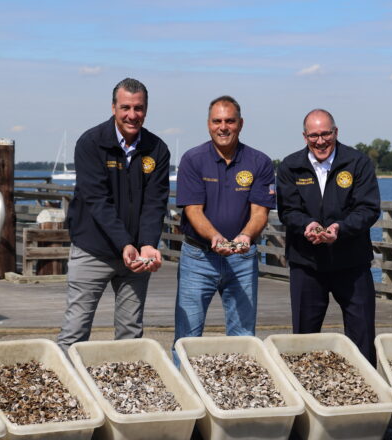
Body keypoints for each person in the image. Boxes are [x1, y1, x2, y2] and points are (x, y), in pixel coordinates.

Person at [56, 78, 171, 352]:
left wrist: (147, 244)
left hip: (135, 256)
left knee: (131, 333)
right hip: (92, 249)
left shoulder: (157, 149)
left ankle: (123, 391)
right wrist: (124, 243)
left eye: (139, 108)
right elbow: (97, 200)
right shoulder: (91, 143)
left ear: (146, 109)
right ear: (113, 108)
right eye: (126, 107)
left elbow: (155, 203)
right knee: (75, 330)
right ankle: (66, 388)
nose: (132, 115)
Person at [276, 109, 381, 364]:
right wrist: (307, 225)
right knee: (303, 337)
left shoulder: (358, 162)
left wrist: (339, 229)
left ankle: (367, 392)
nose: (320, 141)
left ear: (336, 132)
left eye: (325, 134)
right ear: (304, 136)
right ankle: (305, 391)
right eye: (314, 135)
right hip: (307, 264)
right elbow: (287, 211)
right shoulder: (290, 166)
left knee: (362, 334)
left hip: (352, 263)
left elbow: (368, 208)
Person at [173, 96, 274, 352]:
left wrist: (245, 237)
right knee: (187, 336)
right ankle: (185, 388)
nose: (223, 127)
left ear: (241, 123)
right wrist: (215, 237)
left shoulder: (259, 162)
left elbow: (260, 213)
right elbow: (193, 210)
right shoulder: (193, 159)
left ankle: (241, 389)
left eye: (230, 121)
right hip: (198, 257)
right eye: (217, 121)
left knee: (243, 337)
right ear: (208, 124)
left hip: (242, 258)